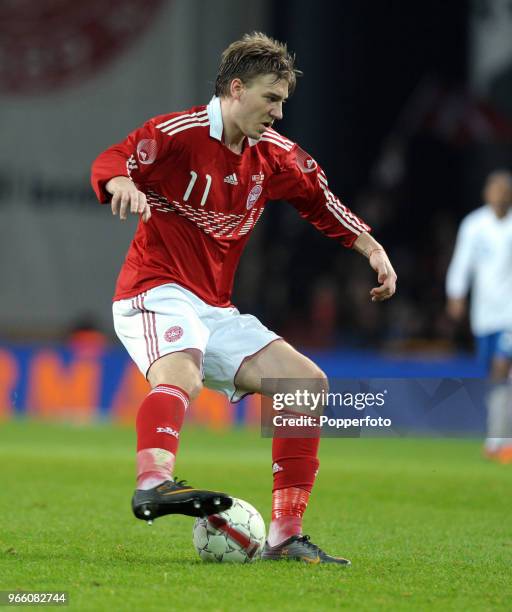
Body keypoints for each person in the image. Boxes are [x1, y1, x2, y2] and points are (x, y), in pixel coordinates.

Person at [91, 32, 397, 564]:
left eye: (283, 102)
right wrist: (120, 182)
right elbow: (116, 158)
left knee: (303, 384)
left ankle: (284, 535)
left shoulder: (274, 156)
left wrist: (371, 248)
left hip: (214, 307)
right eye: (270, 99)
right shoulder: (178, 134)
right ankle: (153, 482)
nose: (278, 113)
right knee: (181, 369)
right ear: (236, 88)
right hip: (154, 289)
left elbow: (321, 200)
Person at [446, 170, 512, 463]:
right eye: (496, 189)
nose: (500, 194)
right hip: (484, 314)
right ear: (487, 193)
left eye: (505, 190)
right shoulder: (474, 225)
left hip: (509, 313)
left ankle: (499, 441)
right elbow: (462, 262)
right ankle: (497, 439)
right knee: (494, 375)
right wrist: (456, 294)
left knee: (502, 367)